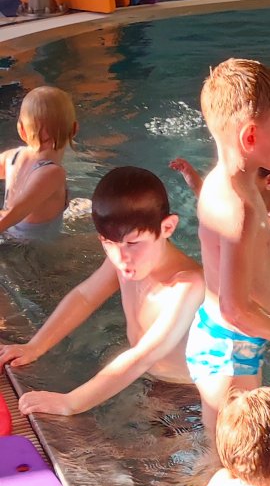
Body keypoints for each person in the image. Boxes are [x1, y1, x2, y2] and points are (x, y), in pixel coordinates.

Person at [0, 167, 203, 417]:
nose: (121, 257)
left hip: (188, 396)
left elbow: (144, 355)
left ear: (167, 227)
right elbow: (85, 297)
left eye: (133, 243)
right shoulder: (124, 260)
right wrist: (35, 346)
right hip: (144, 375)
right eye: (108, 243)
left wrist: (71, 402)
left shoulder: (188, 286)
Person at [184, 58, 270, 439]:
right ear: (251, 137)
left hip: (226, 339)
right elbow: (234, 307)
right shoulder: (238, 208)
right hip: (229, 353)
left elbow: (238, 276)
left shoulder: (230, 185)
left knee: (237, 446)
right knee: (232, 455)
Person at [170, 147, 270, 247]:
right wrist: (193, 180)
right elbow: (211, 204)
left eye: (243, 175)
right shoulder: (244, 205)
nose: (234, 180)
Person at [0, 86, 77, 242]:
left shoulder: (12, 156)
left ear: (21, 130)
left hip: (11, 237)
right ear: (74, 129)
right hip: (33, 249)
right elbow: (17, 211)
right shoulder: (53, 173)